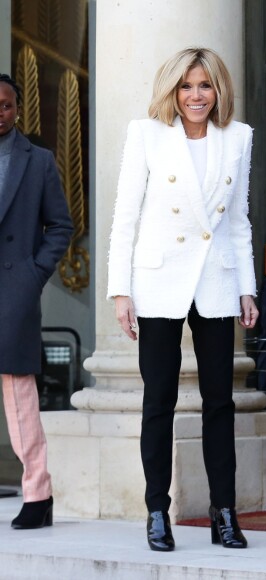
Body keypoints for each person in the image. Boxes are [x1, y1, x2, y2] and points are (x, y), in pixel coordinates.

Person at [107, 47, 259, 552]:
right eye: (187, 86)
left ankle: (225, 511)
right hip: (158, 282)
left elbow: (239, 220)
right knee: (159, 401)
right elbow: (125, 215)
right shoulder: (146, 134)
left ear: (219, 90)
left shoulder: (239, 138)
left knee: (220, 402)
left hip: (215, 281)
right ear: (172, 90)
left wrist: (247, 287)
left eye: (205, 86)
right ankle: (157, 511)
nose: (196, 95)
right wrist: (120, 289)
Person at [0, 73, 73, 529]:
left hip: (12, 289)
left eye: (5, 104)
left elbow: (60, 226)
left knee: (18, 390)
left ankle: (37, 494)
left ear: (17, 108)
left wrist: (33, 273)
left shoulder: (38, 160)